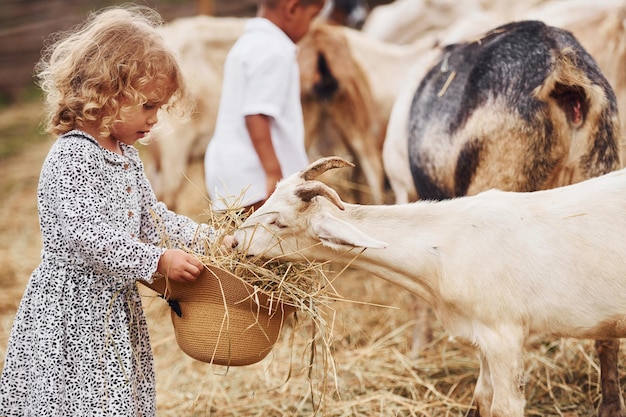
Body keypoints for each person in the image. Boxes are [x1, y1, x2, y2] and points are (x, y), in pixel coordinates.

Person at [0, 6, 209, 416]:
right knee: (78, 399)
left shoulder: (127, 156)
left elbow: (154, 220)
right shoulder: (74, 156)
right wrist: (156, 260)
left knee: (110, 399)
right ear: (107, 92)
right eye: (148, 106)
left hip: (112, 307)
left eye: (160, 108)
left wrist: (211, 239)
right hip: (73, 312)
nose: (155, 119)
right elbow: (87, 233)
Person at [204, 0, 326, 212]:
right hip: (255, 176)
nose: (311, 26)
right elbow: (256, 114)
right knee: (269, 240)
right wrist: (273, 172)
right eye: (312, 16)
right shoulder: (275, 51)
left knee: (239, 241)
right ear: (293, 8)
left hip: (230, 169)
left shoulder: (248, 43)